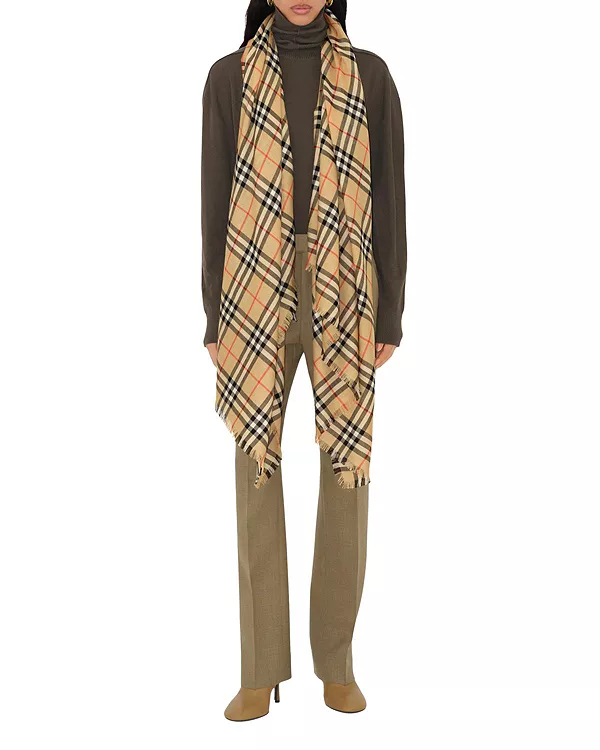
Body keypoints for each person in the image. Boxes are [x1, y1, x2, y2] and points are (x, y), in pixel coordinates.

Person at [201, 0, 407, 721]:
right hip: (253, 284)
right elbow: (215, 199)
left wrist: (391, 309)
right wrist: (214, 313)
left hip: (346, 285)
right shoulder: (228, 77)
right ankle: (259, 669)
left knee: (346, 469)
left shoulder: (371, 77)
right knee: (255, 468)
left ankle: (337, 664)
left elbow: (390, 197)